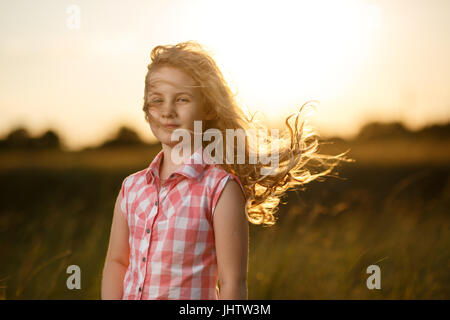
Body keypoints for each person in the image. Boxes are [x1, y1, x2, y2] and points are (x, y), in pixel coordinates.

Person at [101, 41, 351, 300]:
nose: (167, 111)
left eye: (182, 99)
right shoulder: (131, 188)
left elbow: (233, 283)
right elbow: (117, 262)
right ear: (146, 109)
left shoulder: (220, 189)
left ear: (208, 107)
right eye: (157, 100)